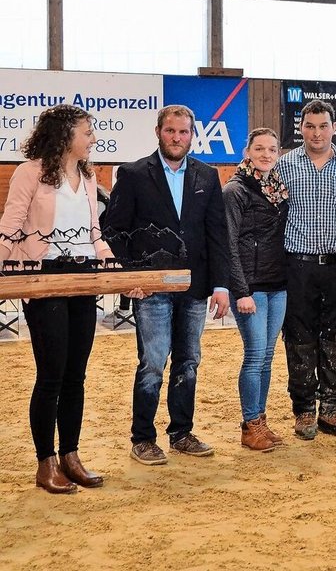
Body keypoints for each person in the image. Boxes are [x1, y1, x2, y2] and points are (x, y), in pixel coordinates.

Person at [103, 104, 231, 465]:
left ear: (193, 134)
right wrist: (134, 276)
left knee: (189, 361)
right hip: (152, 288)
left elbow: (218, 235)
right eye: (171, 131)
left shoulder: (207, 176)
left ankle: (181, 432)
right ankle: (143, 437)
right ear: (158, 132)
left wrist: (221, 285)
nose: (177, 138)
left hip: (195, 286)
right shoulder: (131, 174)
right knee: (153, 363)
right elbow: (114, 230)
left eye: (184, 132)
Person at [0, 104, 113, 493]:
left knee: (76, 376)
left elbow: (95, 232)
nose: (92, 138)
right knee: (50, 374)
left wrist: (111, 265)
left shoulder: (86, 173)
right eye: (87, 132)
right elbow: (10, 227)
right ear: (65, 134)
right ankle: (45, 462)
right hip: (44, 278)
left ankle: (71, 455)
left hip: (82, 279)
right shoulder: (29, 172)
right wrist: (14, 278)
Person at [277, 99, 336, 440]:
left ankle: (331, 407)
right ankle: (303, 411)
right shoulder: (283, 166)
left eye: (322, 126)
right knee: (298, 339)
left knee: (335, 338)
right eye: (309, 126)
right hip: (297, 266)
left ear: (335, 128)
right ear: (300, 128)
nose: (316, 133)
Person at [223, 128, 289, 452]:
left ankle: (260, 421)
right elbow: (229, 243)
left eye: (272, 149)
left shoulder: (277, 188)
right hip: (251, 288)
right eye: (259, 148)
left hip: (278, 285)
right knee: (254, 356)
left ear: (278, 153)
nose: (266, 154)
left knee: (266, 358)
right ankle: (249, 425)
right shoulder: (235, 190)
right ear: (247, 151)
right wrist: (241, 290)